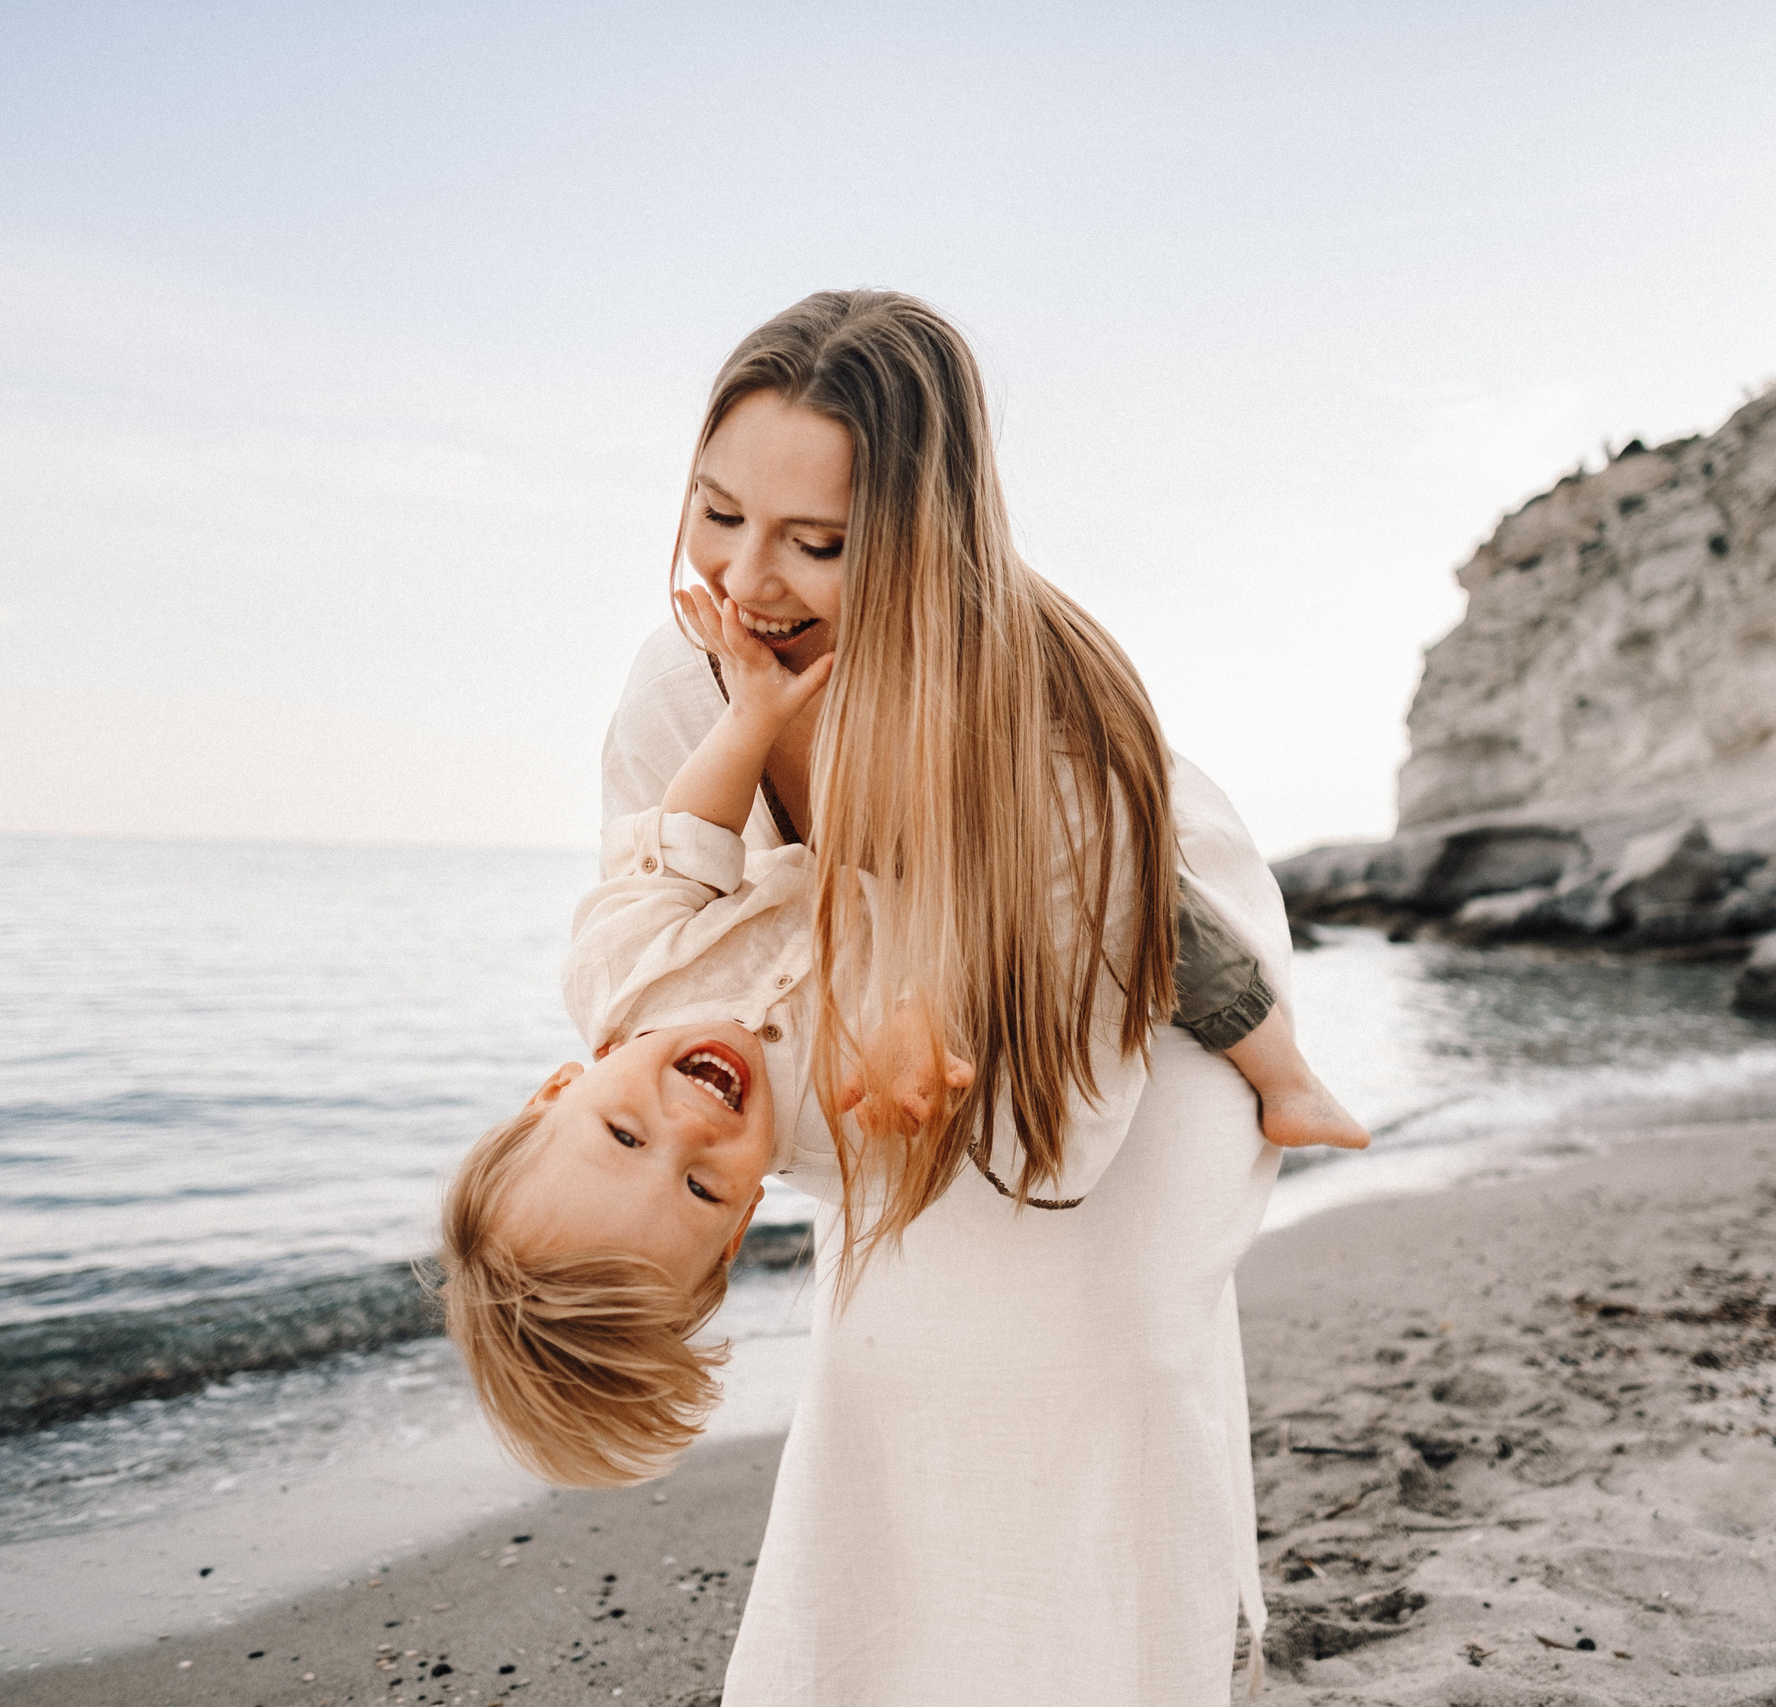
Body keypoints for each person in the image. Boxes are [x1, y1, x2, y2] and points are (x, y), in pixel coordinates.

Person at [466, 290, 1310, 1701]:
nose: (750, 578)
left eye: (819, 542)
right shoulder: (682, 693)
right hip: (907, 1035)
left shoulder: (1032, 704)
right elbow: (670, 907)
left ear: (920, 540)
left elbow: (1072, 1083)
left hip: (1133, 981)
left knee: (1101, 1327)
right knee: (886, 1344)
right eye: (718, 511)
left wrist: (936, 1013)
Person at [436, 575, 1369, 1486]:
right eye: (700, 1185)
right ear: (738, 1228)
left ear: (558, 1090)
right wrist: (921, 1019)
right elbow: (985, 1001)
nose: (690, 1122)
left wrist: (750, 717)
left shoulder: (618, 976)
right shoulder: (854, 1125)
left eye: (623, 1133)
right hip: (974, 908)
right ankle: (1283, 1074)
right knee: (1155, 914)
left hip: (871, 846)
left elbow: (683, 840)